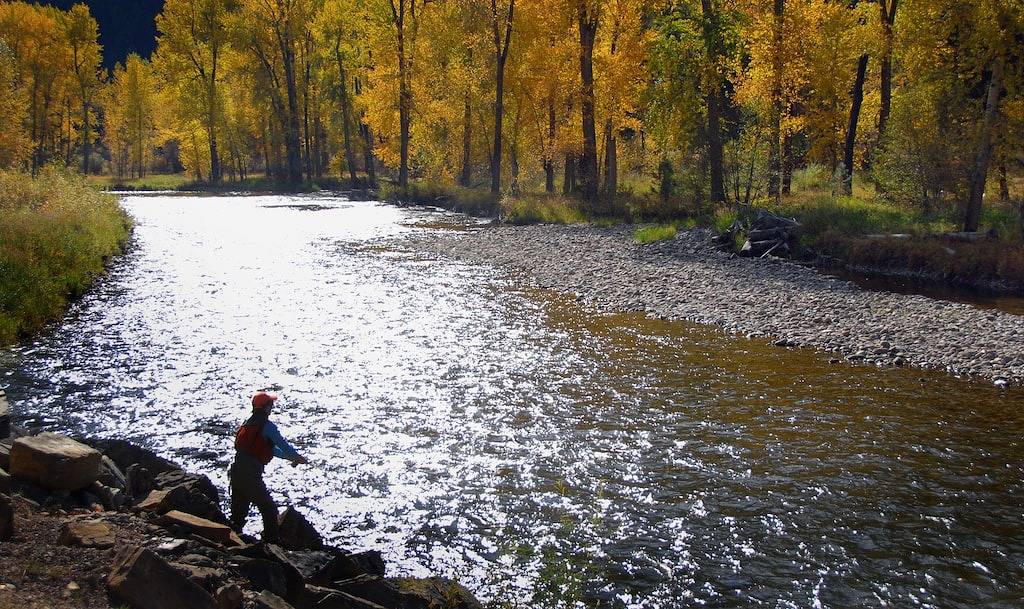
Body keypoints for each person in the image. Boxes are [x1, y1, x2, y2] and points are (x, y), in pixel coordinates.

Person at [229, 390, 308, 543]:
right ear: (266, 407)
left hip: (236, 472)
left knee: (238, 515)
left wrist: (291, 458)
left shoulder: (248, 424)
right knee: (269, 509)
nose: (272, 407)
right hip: (250, 474)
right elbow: (284, 446)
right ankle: (272, 544)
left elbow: (271, 450)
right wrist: (297, 458)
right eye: (271, 404)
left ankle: (231, 542)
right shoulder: (267, 426)